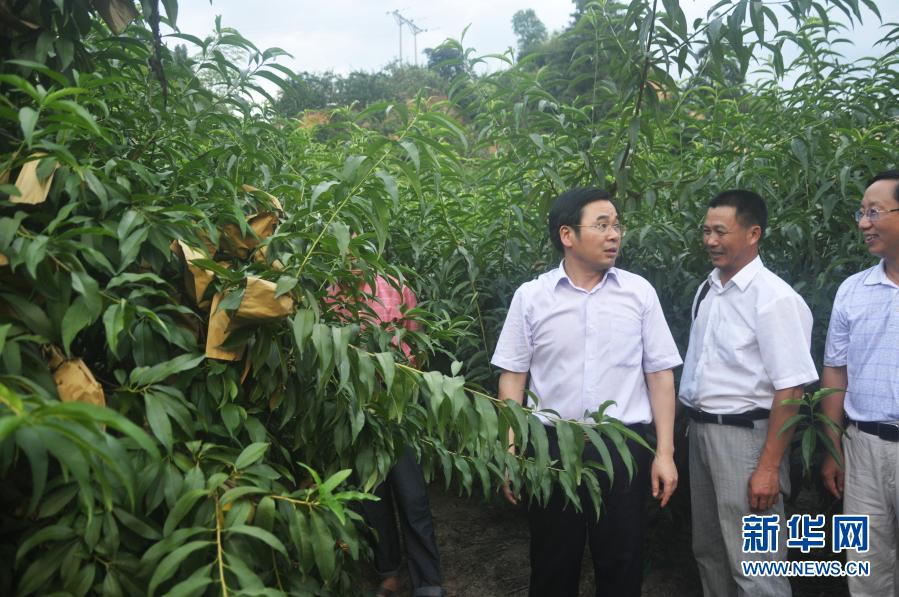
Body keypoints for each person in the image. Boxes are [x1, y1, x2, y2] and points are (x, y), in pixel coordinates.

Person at [491, 187, 682, 597]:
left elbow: (660, 375)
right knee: (552, 564)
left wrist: (664, 453)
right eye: (602, 225)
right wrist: (510, 450)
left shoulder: (638, 293)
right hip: (551, 448)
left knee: (622, 563)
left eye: (616, 225)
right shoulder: (532, 297)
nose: (614, 234)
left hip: (622, 448)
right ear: (567, 235)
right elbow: (513, 378)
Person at [679, 189, 818, 597]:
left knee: (756, 567)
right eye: (706, 231)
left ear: (753, 233)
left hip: (746, 441)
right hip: (702, 434)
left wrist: (769, 468)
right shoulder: (708, 289)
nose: (710, 240)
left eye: (721, 232)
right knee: (710, 553)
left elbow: (791, 388)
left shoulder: (774, 298)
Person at [327, 266, 443, 597]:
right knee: (372, 493)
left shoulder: (395, 286)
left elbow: (415, 343)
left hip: (397, 401)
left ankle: (428, 580)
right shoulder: (331, 294)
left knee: (412, 493)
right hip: (356, 404)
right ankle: (389, 571)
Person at [820, 170, 899, 596]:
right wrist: (833, 448)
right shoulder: (853, 290)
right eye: (861, 213)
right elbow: (836, 371)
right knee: (866, 568)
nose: (864, 223)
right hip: (863, 446)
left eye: (875, 212)